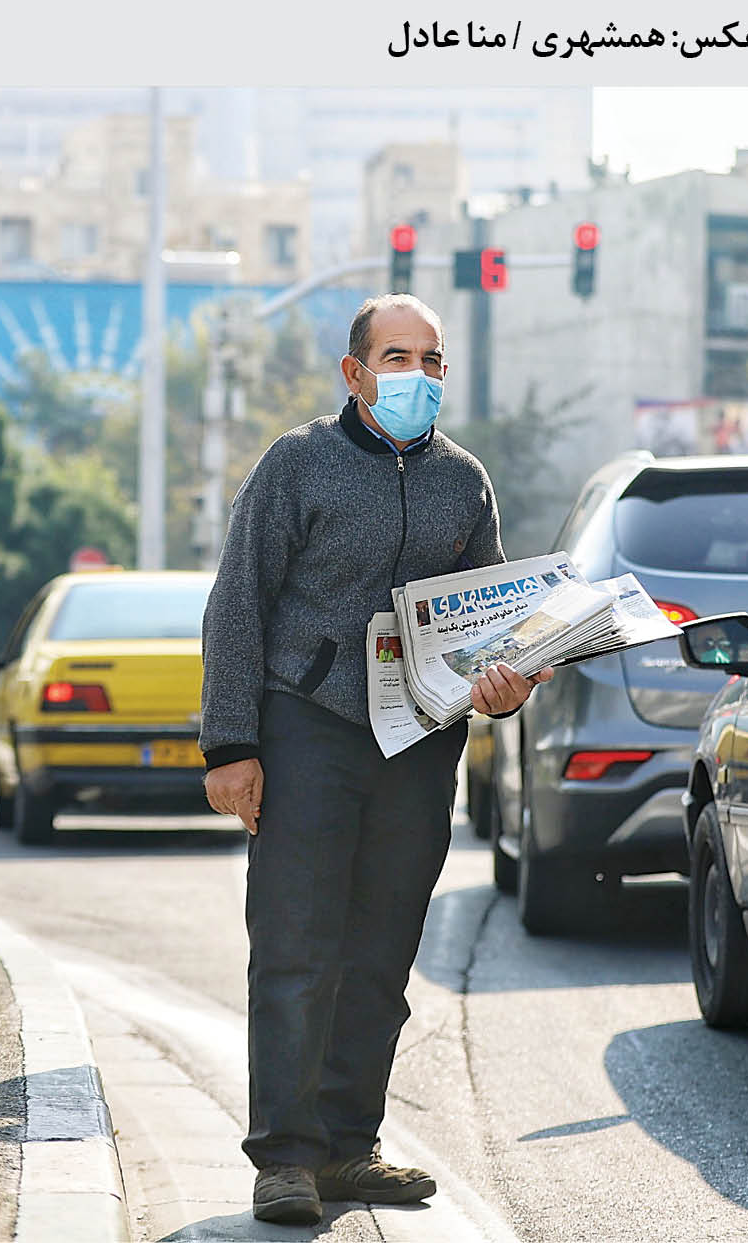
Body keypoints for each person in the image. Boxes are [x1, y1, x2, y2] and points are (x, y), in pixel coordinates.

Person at [199, 294, 550, 1226]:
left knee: (381, 952)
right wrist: (230, 743)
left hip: (421, 739)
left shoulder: (463, 482)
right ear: (353, 373)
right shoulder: (297, 464)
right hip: (307, 725)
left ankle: (350, 1148)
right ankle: (284, 1156)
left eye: (431, 362)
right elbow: (236, 603)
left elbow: (485, 619)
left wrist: (505, 681)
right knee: (295, 946)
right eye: (397, 358)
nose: (417, 377)